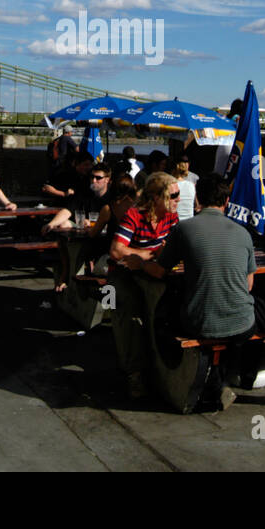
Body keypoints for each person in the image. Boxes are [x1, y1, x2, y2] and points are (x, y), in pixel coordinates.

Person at [133, 175, 255, 409]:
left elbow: (159, 271)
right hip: (243, 324)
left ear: (198, 199)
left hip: (199, 322)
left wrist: (139, 264)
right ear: (227, 202)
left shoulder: (184, 229)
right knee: (241, 319)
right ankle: (228, 376)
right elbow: (249, 285)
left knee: (163, 319)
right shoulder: (243, 233)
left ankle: (165, 376)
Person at [109, 171, 182, 399]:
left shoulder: (171, 217)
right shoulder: (134, 215)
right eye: (173, 195)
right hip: (125, 274)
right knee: (130, 312)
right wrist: (150, 254)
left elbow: (172, 248)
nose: (178, 199)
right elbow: (116, 251)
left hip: (151, 271)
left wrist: (147, 257)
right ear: (155, 198)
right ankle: (135, 373)